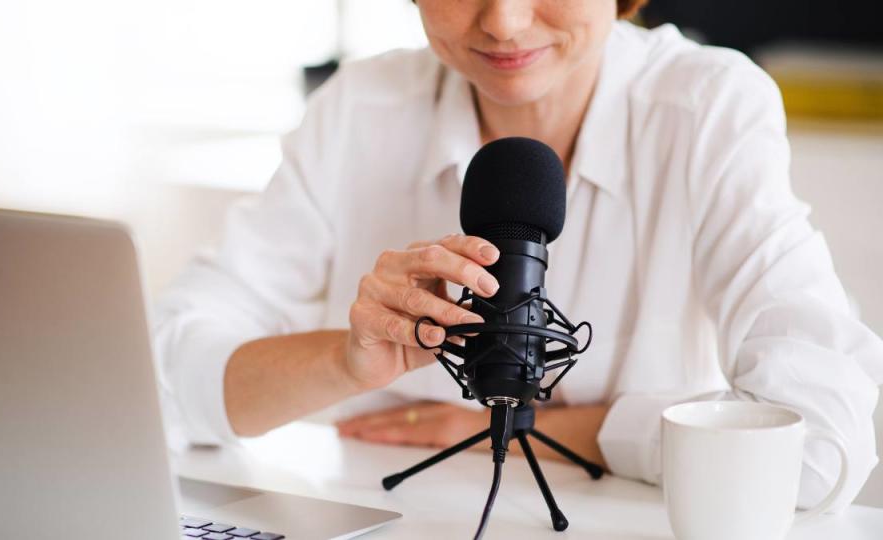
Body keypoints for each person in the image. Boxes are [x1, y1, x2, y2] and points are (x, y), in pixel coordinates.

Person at [153, 0, 883, 510]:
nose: (503, 21)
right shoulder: (358, 110)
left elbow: (820, 441)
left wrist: (545, 428)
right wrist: (345, 361)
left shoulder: (708, 109)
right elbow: (157, 378)